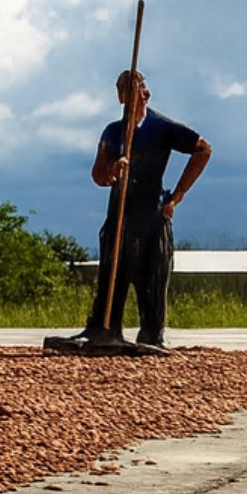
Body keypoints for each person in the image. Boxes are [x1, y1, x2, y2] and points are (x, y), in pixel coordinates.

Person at [83, 71, 210, 350]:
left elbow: (203, 149)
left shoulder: (161, 127)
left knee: (152, 277)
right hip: (120, 214)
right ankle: (105, 330)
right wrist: (112, 170)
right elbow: (98, 175)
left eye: (130, 88)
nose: (124, 94)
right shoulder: (113, 131)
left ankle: (152, 334)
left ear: (145, 93)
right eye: (120, 88)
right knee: (113, 274)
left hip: (153, 213)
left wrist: (177, 196)